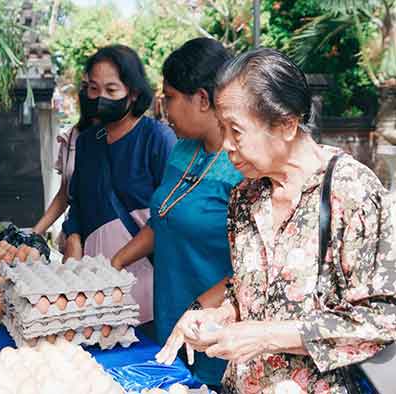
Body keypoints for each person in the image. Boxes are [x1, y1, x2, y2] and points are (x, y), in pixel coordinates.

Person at [166, 48, 396, 392]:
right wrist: (219, 316)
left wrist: (264, 338)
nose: (227, 144)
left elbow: (383, 317)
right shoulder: (245, 196)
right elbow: (254, 290)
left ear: (287, 124)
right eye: (221, 129)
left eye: (236, 130)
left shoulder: (350, 192)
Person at [111, 38, 242, 388]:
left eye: (169, 97)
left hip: (213, 330)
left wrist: (198, 314)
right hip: (170, 316)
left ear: (202, 99)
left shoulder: (243, 168)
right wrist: (113, 265)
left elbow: (253, 269)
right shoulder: (182, 150)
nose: (164, 108)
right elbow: (163, 221)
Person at [62, 45, 177, 324]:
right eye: (92, 88)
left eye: (111, 91)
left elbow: (171, 216)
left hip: (144, 287)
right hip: (91, 289)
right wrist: (73, 243)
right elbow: (77, 203)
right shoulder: (88, 141)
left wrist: (115, 265)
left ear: (133, 93)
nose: (100, 98)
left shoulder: (157, 139)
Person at [32, 76, 96, 248]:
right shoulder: (72, 138)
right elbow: (64, 194)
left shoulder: (133, 139)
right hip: (75, 240)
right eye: (89, 87)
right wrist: (34, 235)